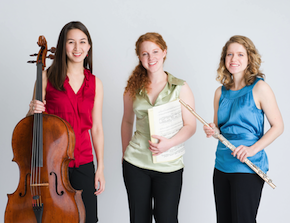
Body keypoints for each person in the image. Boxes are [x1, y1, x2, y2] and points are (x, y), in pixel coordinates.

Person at [27, 21, 105, 223]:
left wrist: (101, 167)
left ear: (88, 47)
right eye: (71, 42)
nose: (77, 48)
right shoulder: (46, 77)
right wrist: (31, 110)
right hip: (52, 164)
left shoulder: (95, 83)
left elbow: (96, 128)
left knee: (88, 219)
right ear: (63, 46)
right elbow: (31, 126)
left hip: (84, 161)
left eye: (82, 42)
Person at [203, 35, 284, 223]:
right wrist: (213, 131)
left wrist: (251, 149)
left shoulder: (260, 88)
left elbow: (278, 126)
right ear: (224, 59)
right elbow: (218, 129)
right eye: (229, 54)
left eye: (240, 54)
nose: (234, 59)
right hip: (222, 165)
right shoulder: (219, 92)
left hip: (248, 166)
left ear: (249, 59)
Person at [121, 32, 196, 223]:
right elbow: (127, 121)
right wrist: (125, 154)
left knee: (167, 219)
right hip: (136, 164)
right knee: (138, 219)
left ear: (164, 52)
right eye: (145, 53)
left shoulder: (180, 87)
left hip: (169, 165)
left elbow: (190, 126)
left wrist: (169, 143)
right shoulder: (132, 88)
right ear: (139, 57)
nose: (150, 57)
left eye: (155, 51)